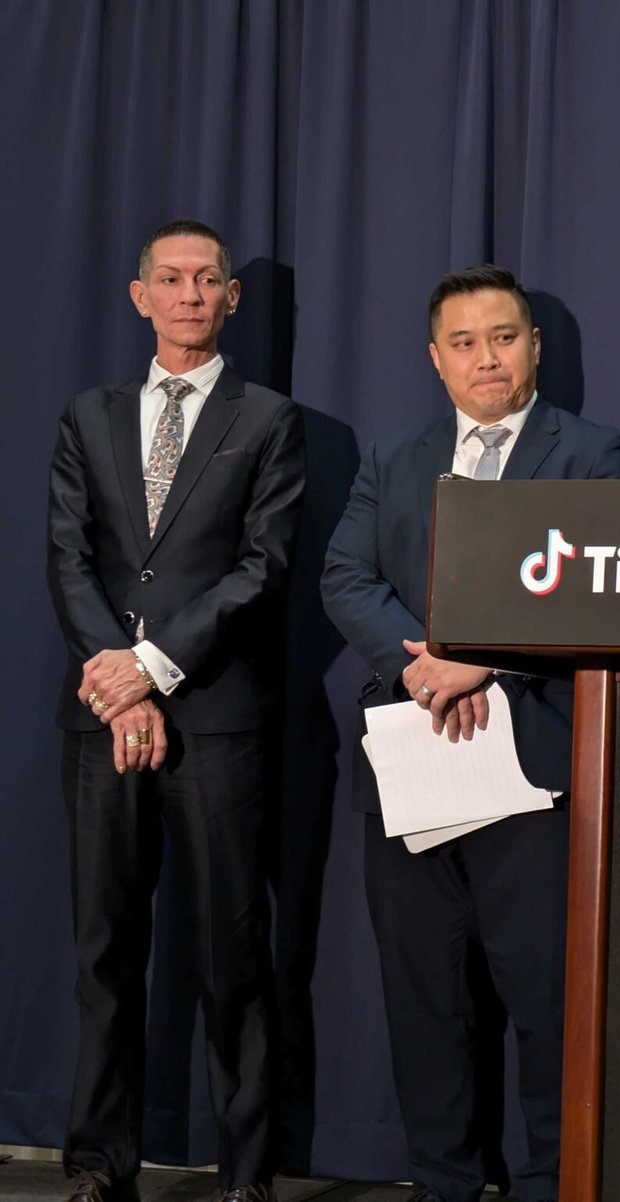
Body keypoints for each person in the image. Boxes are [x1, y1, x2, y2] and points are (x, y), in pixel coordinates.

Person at [321, 265, 620, 1202]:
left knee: (549, 1006)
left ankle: (552, 1183)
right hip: (414, 766)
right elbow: (346, 578)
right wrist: (418, 666)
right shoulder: (392, 460)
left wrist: (487, 659)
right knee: (427, 1007)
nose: (485, 358)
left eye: (503, 337)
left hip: (538, 778)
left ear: (534, 346)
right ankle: (445, 1184)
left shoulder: (600, 457)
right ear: (435, 359)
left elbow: (607, 592)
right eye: (463, 343)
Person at [46, 220, 305, 1202]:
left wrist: (151, 667)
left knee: (230, 949)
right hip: (98, 717)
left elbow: (262, 567)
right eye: (172, 278)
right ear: (138, 294)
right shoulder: (89, 413)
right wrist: (118, 683)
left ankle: (247, 1171)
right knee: (103, 948)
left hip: (218, 718)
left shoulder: (269, 417)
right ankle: (95, 1161)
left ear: (230, 299)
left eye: (208, 280)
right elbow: (68, 557)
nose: (191, 293)